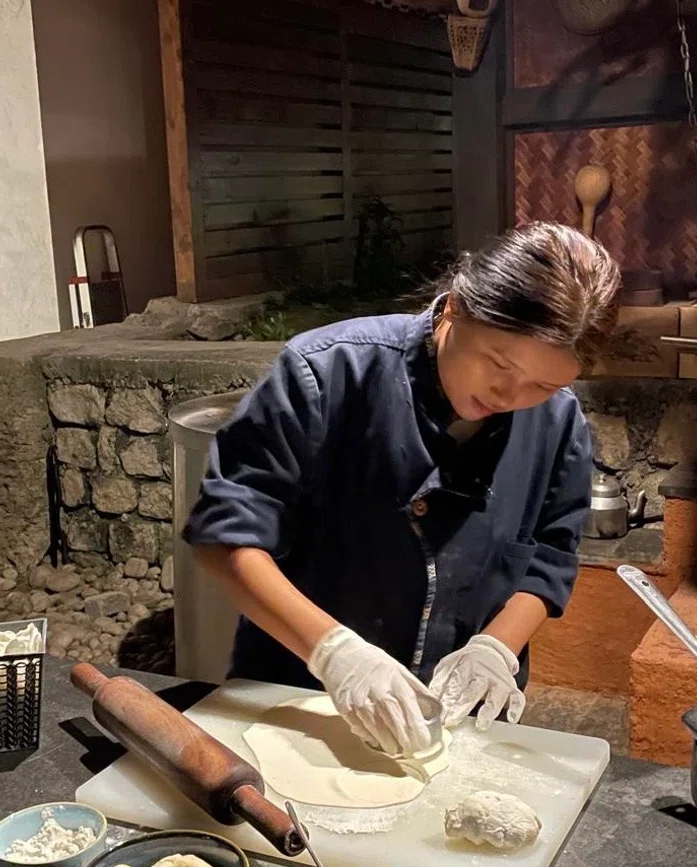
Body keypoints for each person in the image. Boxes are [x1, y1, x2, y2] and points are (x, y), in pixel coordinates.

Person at [184, 221, 620, 758]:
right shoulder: (327, 373)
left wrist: (495, 648)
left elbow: (550, 559)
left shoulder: (557, 421)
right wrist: (335, 654)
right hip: (300, 701)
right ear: (456, 307)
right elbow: (223, 539)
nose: (510, 394)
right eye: (499, 363)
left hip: (453, 717)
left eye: (544, 385)